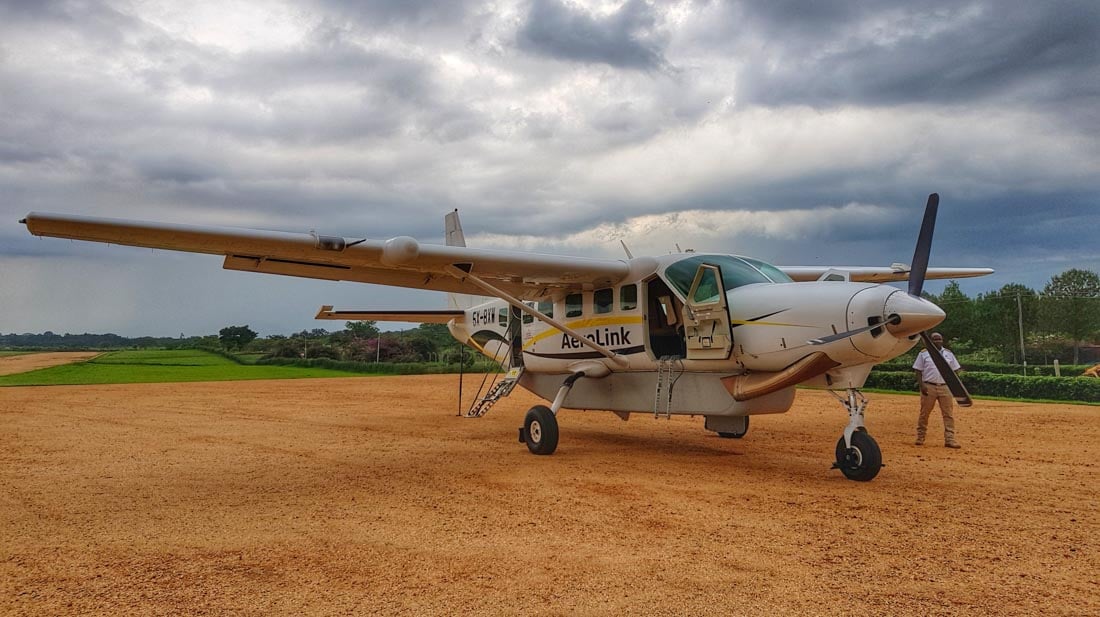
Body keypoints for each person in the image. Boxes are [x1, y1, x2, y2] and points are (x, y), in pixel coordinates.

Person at [912, 332, 962, 448]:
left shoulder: (948, 354)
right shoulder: (924, 354)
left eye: (939, 339)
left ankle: (950, 439)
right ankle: (920, 436)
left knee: (948, 414)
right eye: (935, 339)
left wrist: (954, 385)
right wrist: (922, 385)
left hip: (945, 387)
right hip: (929, 386)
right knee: (924, 413)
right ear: (930, 341)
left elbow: (955, 370)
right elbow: (918, 370)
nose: (937, 341)